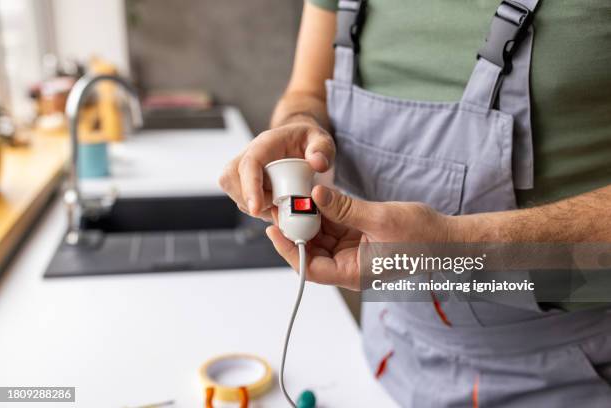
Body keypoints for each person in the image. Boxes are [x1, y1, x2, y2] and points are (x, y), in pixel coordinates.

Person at [220, 0, 611, 406]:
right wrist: (298, 123)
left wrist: (459, 248)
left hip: (572, 379)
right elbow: (306, 91)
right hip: (386, 357)